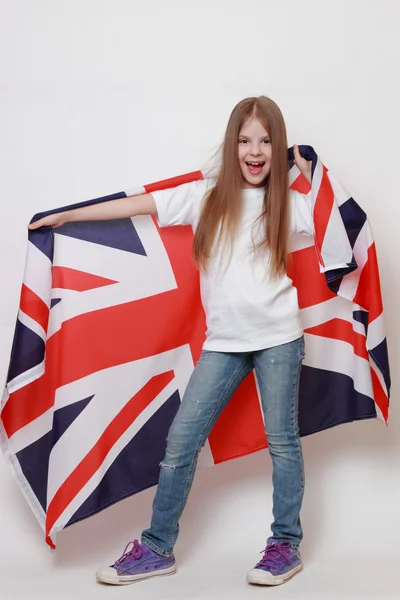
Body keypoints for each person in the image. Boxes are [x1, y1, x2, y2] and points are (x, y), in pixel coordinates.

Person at [29, 96, 313, 587]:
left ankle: (284, 544)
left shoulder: (290, 203)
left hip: (279, 338)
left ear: (278, 147)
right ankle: (157, 547)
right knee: (181, 441)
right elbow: (139, 204)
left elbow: (343, 222)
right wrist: (69, 217)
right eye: (245, 140)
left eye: (267, 141)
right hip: (224, 343)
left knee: (283, 443)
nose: (255, 150)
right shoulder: (205, 197)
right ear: (231, 146)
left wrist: (312, 169)